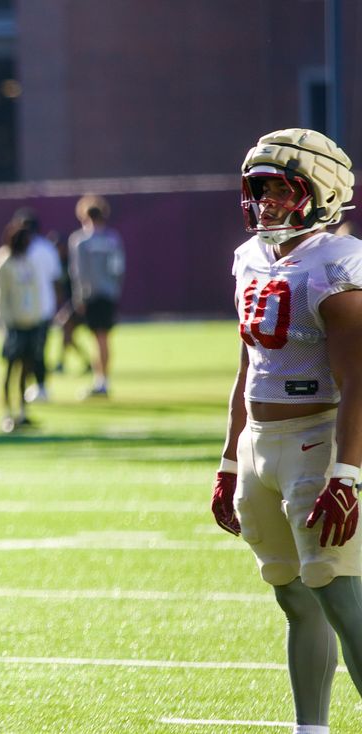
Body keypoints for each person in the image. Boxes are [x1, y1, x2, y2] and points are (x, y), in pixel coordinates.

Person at [211, 128, 362, 734]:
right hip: (259, 448)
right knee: (294, 598)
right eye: (260, 190)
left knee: (341, 599)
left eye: (281, 190)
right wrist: (227, 462)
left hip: (317, 440)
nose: (267, 203)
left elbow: (358, 377)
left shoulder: (335, 263)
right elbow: (247, 367)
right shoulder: (250, 258)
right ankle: (311, 729)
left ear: (320, 195)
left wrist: (346, 472)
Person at [0, 221, 43, 432]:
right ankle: (7, 414)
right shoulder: (4, 262)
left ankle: (23, 412)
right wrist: (5, 324)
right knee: (10, 370)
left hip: (30, 322)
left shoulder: (27, 262)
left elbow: (34, 291)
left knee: (26, 370)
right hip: (14, 325)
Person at [67, 194, 125, 397]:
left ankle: (100, 381)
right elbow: (118, 269)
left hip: (91, 295)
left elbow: (78, 273)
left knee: (97, 339)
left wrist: (79, 297)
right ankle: (103, 379)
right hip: (108, 294)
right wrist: (114, 289)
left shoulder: (80, 241)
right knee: (104, 339)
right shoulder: (112, 239)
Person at [11, 207, 62, 403]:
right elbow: (56, 280)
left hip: (28, 308)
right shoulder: (46, 248)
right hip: (43, 307)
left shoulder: (32, 249)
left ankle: (37, 386)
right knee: (38, 349)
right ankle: (38, 386)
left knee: (31, 351)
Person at [49, 229, 91, 375]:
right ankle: (76, 362)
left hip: (81, 302)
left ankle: (63, 362)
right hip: (71, 303)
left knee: (66, 328)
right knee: (66, 332)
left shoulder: (73, 261)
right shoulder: (57, 263)